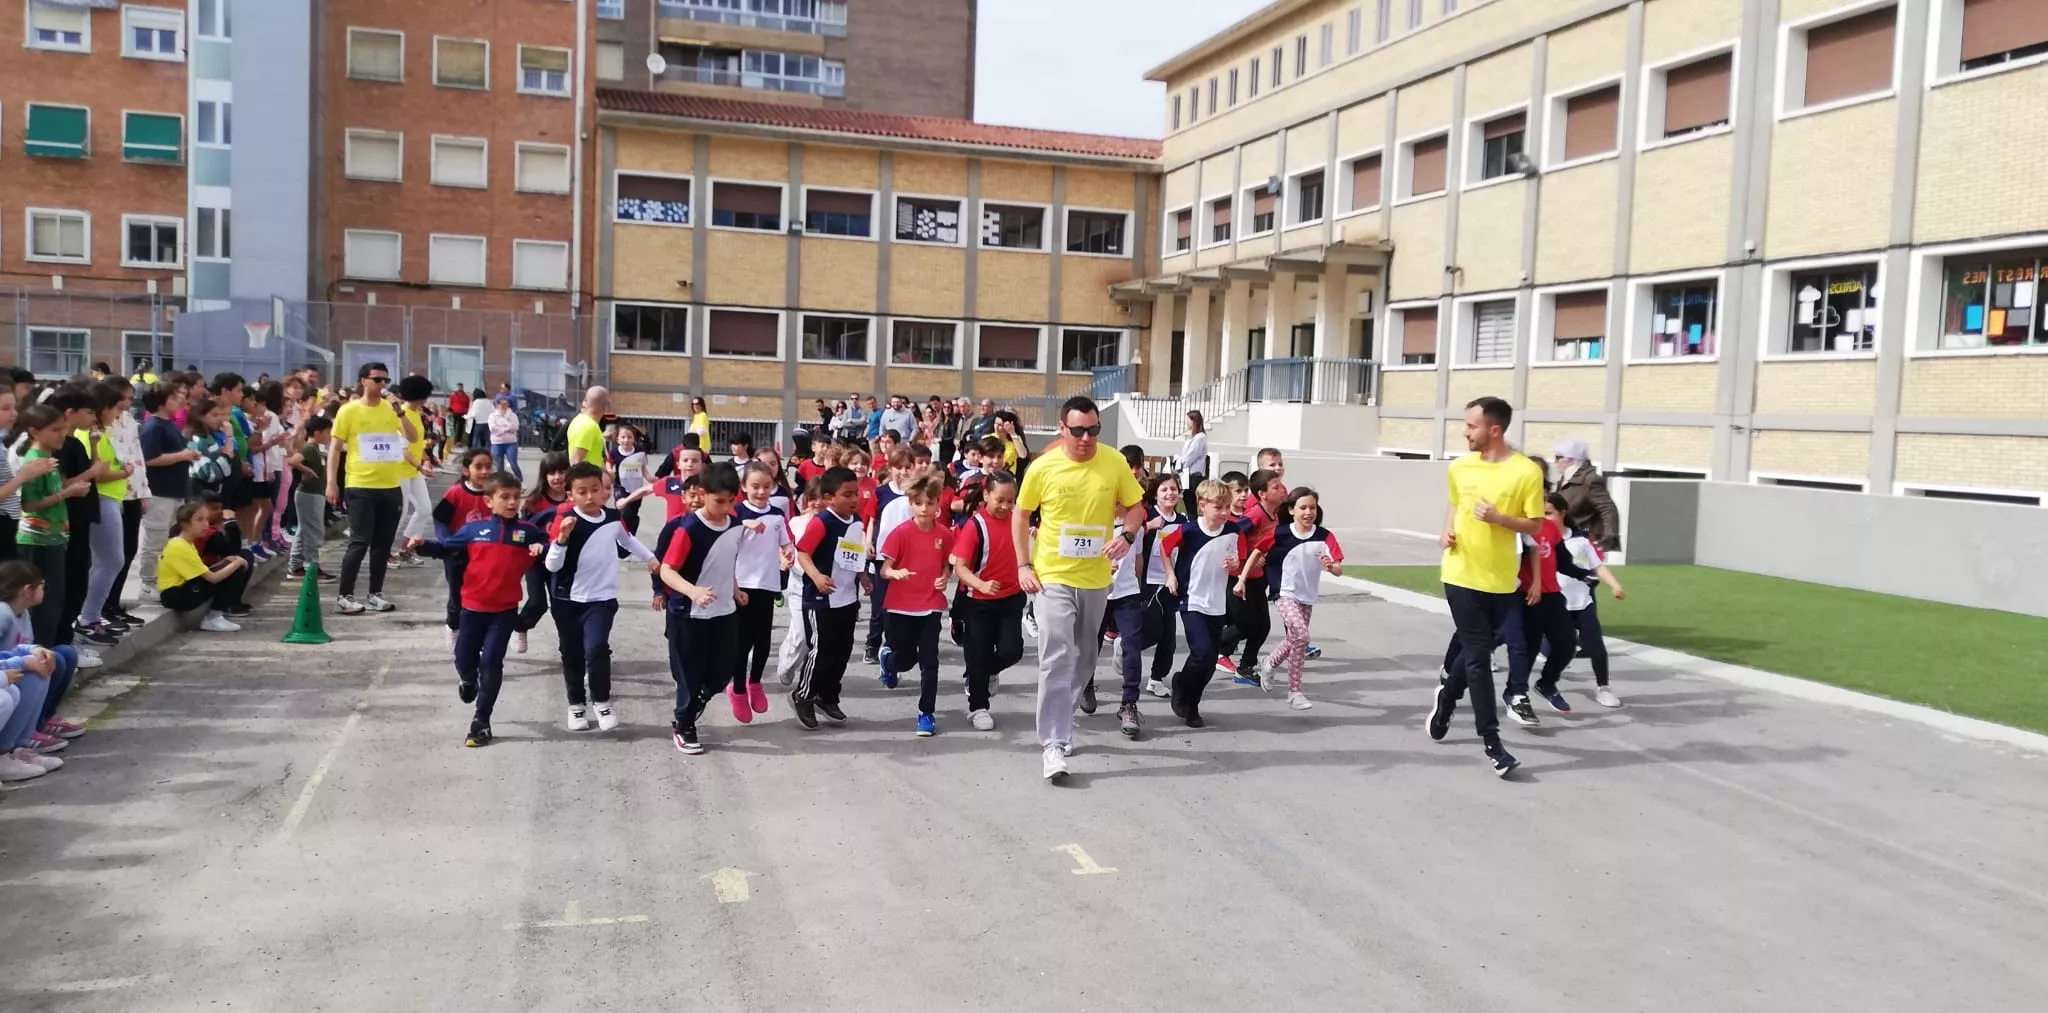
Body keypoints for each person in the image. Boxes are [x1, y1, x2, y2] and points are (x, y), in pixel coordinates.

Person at [1014, 396, 1146, 782]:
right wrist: (1024, 564)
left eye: (1093, 430)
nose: (1086, 438)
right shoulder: (1043, 467)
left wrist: (1129, 536)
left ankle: (1064, 711)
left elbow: (1136, 506)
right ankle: (1053, 743)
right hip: (1052, 575)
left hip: (1096, 578)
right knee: (1055, 654)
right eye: (1078, 431)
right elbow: (1021, 515)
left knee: (1085, 657)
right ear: (1062, 429)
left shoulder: (1114, 462)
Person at [1428, 397, 1545, 778]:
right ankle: (1493, 744)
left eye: (1471, 426)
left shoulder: (1526, 472)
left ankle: (1446, 699)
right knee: (1478, 659)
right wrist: (1445, 531)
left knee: (1479, 649)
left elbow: (1533, 525)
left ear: (1494, 430)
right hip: (1461, 575)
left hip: (1502, 580)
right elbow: (1454, 505)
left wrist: (1499, 519)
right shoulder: (1460, 467)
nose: (1465, 432)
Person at [409, 473, 546, 748]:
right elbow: (445, 548)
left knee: (492, 663)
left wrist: (542, 545)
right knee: (463, 659)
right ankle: (468, 680)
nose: (511, 502)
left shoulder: (527, 532)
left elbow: (550, 545)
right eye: (504, 497)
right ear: (489, 501)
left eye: (515, 497)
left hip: (504, 611)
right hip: (472, 608)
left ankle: (481, 721)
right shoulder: (474, 530)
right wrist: (422, 546)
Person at [545, 462, 656, 732]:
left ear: (604, 490)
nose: (590, 496)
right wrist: (561, 539)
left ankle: (602, 702)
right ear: (570, 494)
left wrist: (652, 559)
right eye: (582, 492)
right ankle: (576, 706)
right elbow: (551, 566)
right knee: (571, 654)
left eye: (595, 489)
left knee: (596, 649)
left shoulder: (612, 518)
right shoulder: (566, 521)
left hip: (601, 599)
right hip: (567, 600)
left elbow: (628, 541)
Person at [656, 462, 744, 755]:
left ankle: (692, 704)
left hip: (724, 611)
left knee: (722, 673)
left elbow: (722, 561)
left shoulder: (734, 525)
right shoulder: (689, 528)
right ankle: (684, 725)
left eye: (732, 501)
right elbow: (667, 570)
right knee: (690, 675)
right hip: (688, 614)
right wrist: (692, 591)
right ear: (703, 495)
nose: (726, 507)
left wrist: (735, 589)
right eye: (720, 501)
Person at [328, 362, 419, 615]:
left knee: (383, 544)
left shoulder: (392, 409)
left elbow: (412, 438)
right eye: (377, 379)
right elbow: (335, 448)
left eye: (385, 381)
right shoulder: (349, 411)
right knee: (359, 541)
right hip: (360, 484)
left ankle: (375, 593)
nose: (382, 385)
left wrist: (400, 412)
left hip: (390, 484)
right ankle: (345, 595)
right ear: (363, 381)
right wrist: (331, 482)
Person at [1158, 479, 1245, 729]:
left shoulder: (1233, 531)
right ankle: (1182, 685)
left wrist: (1235, 567)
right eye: (1219, 507)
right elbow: (1164, 547)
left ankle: (1192, 704)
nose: (1225, 512)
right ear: (1202, 505)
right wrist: (1170, 574)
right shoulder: (1189, 531)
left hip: (1217, 602)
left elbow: (1237, 562)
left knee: (1208, 663)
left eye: (1227, 507)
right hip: (1191, 599)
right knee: (1202, 653)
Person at [787, 466, 868, 730]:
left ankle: (828, 696)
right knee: (822, 651)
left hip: (846, 599)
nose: (854, 499)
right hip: (821, 600)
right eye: (847, 495)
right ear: (830, 498)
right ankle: (804, 694)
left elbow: (852, 556)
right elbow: (803, 553)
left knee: (841, 652)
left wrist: (863, 577)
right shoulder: (822, 522)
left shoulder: (856, 522)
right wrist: (816, 576)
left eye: (856, 493)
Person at [1252, 488, 1345, 710]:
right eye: (1303, 507)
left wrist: (1332, 567)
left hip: (1307, 595)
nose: (1308, 512)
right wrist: (1244, 576)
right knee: (1302, 636)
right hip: (1283, 592)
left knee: (1296, 639)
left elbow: (1339, 568)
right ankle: (1295, 692)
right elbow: (1257, 551)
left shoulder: (1325, 536)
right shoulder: (1281, 533)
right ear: (1292, 510)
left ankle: (1270, 662)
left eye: (1312, 507)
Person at [877, 474, 951, 736]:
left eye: (929, 503)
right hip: (901, 607)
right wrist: (894, 573)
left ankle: (926, 713)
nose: (924, 508)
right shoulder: (901, 533)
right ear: (910, 503)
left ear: (937, 505)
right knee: (905, 659)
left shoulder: (943, 534)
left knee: (930, 661)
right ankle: (889, 659)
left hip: (930, 606)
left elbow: (946, 564)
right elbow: (884, 568)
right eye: (918, 503)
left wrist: (944, 578)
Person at [950, 470, 1023, 731]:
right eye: (999, 500)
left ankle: (981, 672)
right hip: (977, 601)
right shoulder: (974, 525)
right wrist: (981, 584)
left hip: (1012, 598)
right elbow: (960, 568)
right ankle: (978, 707)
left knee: (1012, 651)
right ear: (986, 496)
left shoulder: (1019, 522)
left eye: (1010, 500)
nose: (1005, 506)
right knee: (978, 652)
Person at [15, 405, 88, 656]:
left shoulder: (48, 460)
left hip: (54, 538)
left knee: (54, 601)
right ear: (34, 431)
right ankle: (38, 654)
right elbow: (30, 504)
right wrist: (69, 492)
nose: (61, 435)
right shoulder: (34, 462)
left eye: (63, 429)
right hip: (38, 540)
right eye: (55, 430)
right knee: (44, 604)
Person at [1549, 492, 1627, 708]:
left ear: (1562, 514)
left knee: (1596, 648)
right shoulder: (1541, 540)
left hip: (1582, 603)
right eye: (1542, 514)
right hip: (1555, 606)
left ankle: (1603, 688)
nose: (1545, 518)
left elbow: (1597, 566)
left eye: (1549, 513)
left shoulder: (1580, 540)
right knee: (1556, 649)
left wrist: (1615, 585)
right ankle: (1547, 683)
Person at [730, 461, 790, 724]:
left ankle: (755, 683)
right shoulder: (736, 512)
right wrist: (745, 525)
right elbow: (726, 539)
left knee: (763, 641)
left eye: (767, 486)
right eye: (755, 487)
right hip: (742, 585)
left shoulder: (777, 514)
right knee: (741, 642)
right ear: (744, 487)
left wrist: (788, 553)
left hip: (767, 583)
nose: (761, 492)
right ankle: (738, 689)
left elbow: (786, 543)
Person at [73, 384, 132, 646]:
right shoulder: (88, 436)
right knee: (110, 560)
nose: (117, 414)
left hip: (112, 498)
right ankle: (88, 617)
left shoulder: (100, 433)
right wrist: (123, 473)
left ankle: (90, 615)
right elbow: (97, 471)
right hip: (101, 499)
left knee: (107, 561)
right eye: (114, 408)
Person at [1218, 469, 1285, 685]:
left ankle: (1246, 667)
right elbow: (1233, 532)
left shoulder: (1274, 514)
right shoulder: (1255, 515)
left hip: (1258, 579)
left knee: (1263, 626)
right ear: (1263, 494)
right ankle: (1215, 648)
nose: (1281, 489)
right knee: (1246, 625)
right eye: (1276, 487)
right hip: (1239, 579)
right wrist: (1248, 557)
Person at [431, 450, 498, 648]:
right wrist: (448, 544)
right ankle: (453, 625)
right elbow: (440, 519)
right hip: (457, 554)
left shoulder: (493, 493)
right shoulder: (456, 493)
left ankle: (479, 636)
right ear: (466, 470)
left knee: (484, 595)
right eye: (479, 467)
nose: (485, 471)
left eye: (488, 466)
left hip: (484, 554)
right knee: (457, 596)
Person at [156, 502, 251, 632]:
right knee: (235, 570)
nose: (206, 524)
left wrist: (224, 562)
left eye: (206, 519)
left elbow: (203, 570)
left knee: (230, 565)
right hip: (176, 595)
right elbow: (213, 578)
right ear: (185, 524)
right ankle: (213, 618)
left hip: (182, 589)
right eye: (199, 520)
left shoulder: (186, 542)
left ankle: (216, 616)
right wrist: (236, 563)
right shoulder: (179, 546)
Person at [513, 451, 570, 654]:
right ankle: (520, 626)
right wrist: (525, 547)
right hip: (536, 562)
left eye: (562, 472)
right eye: (551, 472)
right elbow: (521, 532)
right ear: (544, 476)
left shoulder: (575, 498)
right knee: (538, 603)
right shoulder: (533, 501)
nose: (557, 477)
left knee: (561, 608)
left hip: (562, 561)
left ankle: (568, 650)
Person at [287, 416, 335, 581]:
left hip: (315, 494)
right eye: (327, 432)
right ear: (317, 432)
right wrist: (306, 470)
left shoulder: (317, 449)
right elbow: (293, 461)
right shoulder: (309, 448)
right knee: (314, 531)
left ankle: (296, 565)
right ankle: (311, 565)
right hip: (309, 494)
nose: (329, 435)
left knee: (304, 529)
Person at [1551, 438, 1621, 551]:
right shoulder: (1567, 479)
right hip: (1570, 539)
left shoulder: (1590, 480)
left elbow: (1608, 509)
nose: (1555, 461)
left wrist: (1607, 539)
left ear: (1571, 459)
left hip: (1585, 542)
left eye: (1558, 457)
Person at [612, 425, 653, 540]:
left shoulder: (640, 451)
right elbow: (609, 463)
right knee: (622, 511)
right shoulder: (615, 452)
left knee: (631, 514)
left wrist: (649, 477)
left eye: (629, 437)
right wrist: (609, 471)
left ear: (634, 439)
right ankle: (619, 539)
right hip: (620, 487)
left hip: (636, 489)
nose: (626, 440)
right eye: (623, 437)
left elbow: (643, 467)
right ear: (617, 439)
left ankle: (631, 533)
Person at [566, 386, 609, 474]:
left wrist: (606, 473)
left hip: (592, 480)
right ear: (606, 406)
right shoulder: (589, 427)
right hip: (589, 481)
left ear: (585, 402)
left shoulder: (578, 420)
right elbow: (576, 462)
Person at [487, 396, 522, 477]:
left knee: (513, 463)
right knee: (499, 465)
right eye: (502, 404)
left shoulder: (512, 415)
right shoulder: (493, 416)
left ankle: (520, 480)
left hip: (511, 442)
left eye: (506, 404)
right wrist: (506, 429)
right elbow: (492, 428)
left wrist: (507, 418)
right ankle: (501, 482)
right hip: (497, 443)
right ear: (497, 405)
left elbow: (515, 428)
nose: (504, 406)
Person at [1180, 411, 1210, 487]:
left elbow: (1191, 455)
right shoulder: (1193, 437)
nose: (1186, 422)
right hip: (1187, 474)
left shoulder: (1200, 437)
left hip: (1193, 476)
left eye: (1188, 420)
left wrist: (1182, 463)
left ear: (1194, 421)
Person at [447, 384, 471, 449]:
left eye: (461, 387)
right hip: (454, 412)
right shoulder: (453, 395)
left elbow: (467, 405)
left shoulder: (466, 396)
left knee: (460, 428)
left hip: (462, 413)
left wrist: (466, 412)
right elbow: (450, 404)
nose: (460, 388)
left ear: (463, 387)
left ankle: (458, 441)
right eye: (458, 387)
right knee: (452, 426)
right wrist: (449, 412)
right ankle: (452, 441)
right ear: (457, 387)